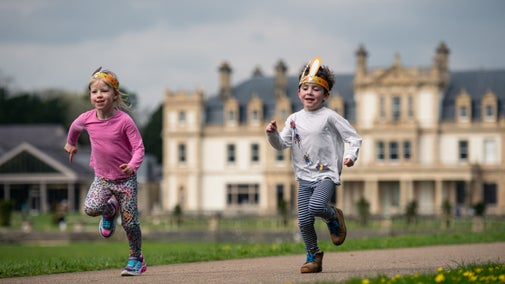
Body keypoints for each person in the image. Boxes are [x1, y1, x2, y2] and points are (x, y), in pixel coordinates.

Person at [265, 57, 362, 273]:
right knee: (304, 221)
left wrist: (351, 156)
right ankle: (313, 256)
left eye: (316, 89)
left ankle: (333, 216)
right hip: (304, 177)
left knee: (317, 206)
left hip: (326, 174)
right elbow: (281, 144)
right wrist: (271, 134)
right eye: (305, 88)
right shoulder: (293, 119)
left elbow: (353, 138)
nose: (310, 92)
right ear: (299, 93)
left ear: (326, 95)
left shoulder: (330, 117)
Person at [64, 67, 147, 276]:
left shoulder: (124, 121)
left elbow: (139, 148)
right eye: (94, 91)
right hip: (102, 178)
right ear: (90, 95)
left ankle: (136, 259)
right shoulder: (87, 118)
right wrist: (71, 144)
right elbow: (74, 127)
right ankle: (110, 210)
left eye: (104, 91)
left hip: (126, 180)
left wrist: (132, 165)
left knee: (130, 222)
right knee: (91, 209)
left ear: (115, 95)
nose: (99, 95)